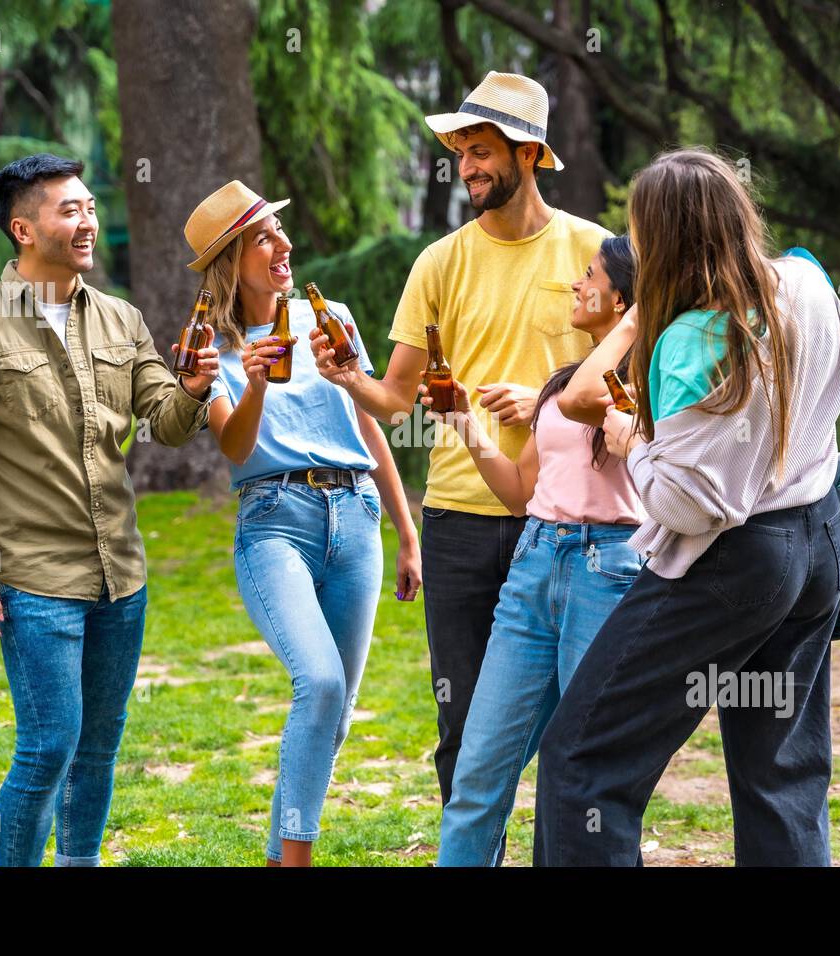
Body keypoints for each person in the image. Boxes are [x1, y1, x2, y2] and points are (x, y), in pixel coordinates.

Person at [534, 147, 840, 866]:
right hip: (819, 544)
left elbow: (686, 503)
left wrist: (628, 436)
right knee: (782, 776)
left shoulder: (688, 341)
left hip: (734, 566)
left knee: (582, 760)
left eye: (639, 231)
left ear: (665, 237)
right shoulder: (806, 282)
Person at [311, 72, 611, 813]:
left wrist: (548, 400)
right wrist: (350, 377)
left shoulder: (594, 250)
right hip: (461, 521)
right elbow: (396, 397)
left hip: (571, 520)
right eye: (461, 154)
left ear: (530, 153)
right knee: (465, 722)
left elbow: (626, 373)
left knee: (580, 721)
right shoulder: (440, 262)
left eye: (483, 152)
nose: (468, 168)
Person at [0, 153, 219, 867]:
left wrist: (195, 387)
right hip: (30, 579)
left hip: (121, 575)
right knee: (49, 745)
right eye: (69, 210)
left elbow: (166, 424)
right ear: (24, 228)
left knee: (100, 747)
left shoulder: (121, 318)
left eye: (88, 207)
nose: (87, 221)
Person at [186, 181, 421, 867]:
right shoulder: (208, 348)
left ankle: (278, 854)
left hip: (355, 517)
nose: (284, 246)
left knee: (336, 713)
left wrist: (407, 534)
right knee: (317, 684)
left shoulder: (330, 316)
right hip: (274, 522)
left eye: (280, 233)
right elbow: (234, 447)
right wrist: (255, 381)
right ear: (232, 258)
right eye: (264, 237)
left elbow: (369, 426)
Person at [427, 235, 645, 866]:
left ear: (623, 300)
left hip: (607, 570)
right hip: (533, 562)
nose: (577, 285)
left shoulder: (647, 378)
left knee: (581, 772)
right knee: (477, 769)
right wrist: (464, 421)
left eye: (589, 275)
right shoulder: (563, 382)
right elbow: (522, 493)